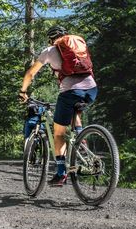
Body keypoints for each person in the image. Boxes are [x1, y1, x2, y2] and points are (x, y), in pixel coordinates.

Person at [19, 26, 98, 186]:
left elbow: (30, 73)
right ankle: (81, 141)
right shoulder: (78, 45)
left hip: (70, 92)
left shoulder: (50, 51)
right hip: (91, 89)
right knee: (76, 112)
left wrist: (23, 91)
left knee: (59, 133)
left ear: (51, 39)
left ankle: (61, 173)